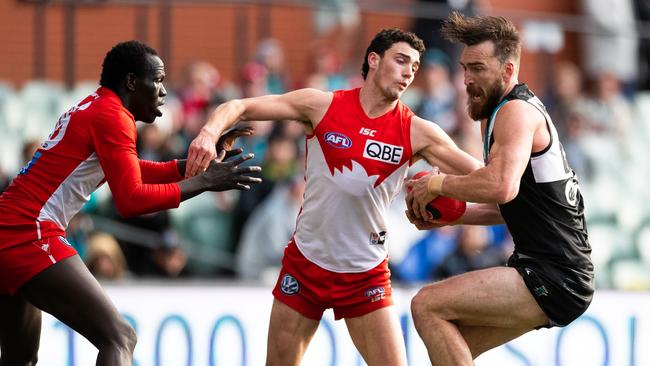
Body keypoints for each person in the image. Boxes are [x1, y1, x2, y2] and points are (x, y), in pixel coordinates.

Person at [186, 28, 481, 366]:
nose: (408, 73)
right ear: (373, 59)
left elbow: (486, 177)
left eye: (414, 68)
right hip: (305, 266)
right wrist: (209, 133)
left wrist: (446, 188)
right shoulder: (321, 105)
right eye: (401, 61)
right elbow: (237, 105)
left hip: (365, 274)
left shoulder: (418, 131)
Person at [0, 40, 261, 365]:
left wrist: (194, 168)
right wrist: (203, 183)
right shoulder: (114, 117)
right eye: (158, 80)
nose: (164, 91)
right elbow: (130, 200)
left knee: (19, 357)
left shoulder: (97, 105)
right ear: (132, 82)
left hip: (10, 229)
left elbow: (131, 171)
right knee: (120, 337)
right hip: (29, 232)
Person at [405, 13, 594, 365]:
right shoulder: (497, 114)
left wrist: (436, 183)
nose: (466, 80)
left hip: (553, 273)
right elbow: (507, 204)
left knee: (426, 305)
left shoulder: (516, 113)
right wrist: (454, 218)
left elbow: (501, 186)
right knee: (454, 345)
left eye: (477, 68)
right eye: (464, 68)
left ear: (508, 71)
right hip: (557, 272)